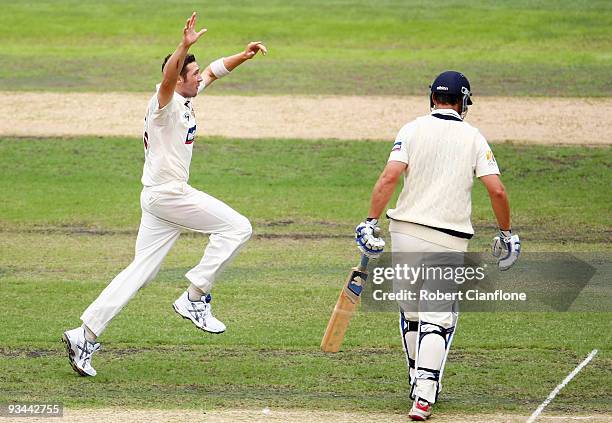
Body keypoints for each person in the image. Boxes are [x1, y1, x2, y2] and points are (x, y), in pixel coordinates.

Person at [62, 12, 267, 377]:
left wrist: (244, 55)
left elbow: (214, 72)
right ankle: (195, 297)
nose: (199, 77)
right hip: (169, 195)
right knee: (238, 227)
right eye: (191, 73)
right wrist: (183, 46)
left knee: (140, 271)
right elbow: (169, 78)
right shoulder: (164, 103)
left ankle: (84, 334)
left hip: (157, 200)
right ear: (176, 78)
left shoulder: (188, 93)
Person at [354, 70, 521, 421]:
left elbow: (389, 176)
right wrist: (506, 233)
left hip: (405, 231)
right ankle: (425, 393)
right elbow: (497, 190)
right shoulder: (474, 137)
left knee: (412, 313)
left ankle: (418, 380)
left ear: (432, 98)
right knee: (437, 316)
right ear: (463, 102)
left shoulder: (411, 129)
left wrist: (370, 221)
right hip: (448, 236)